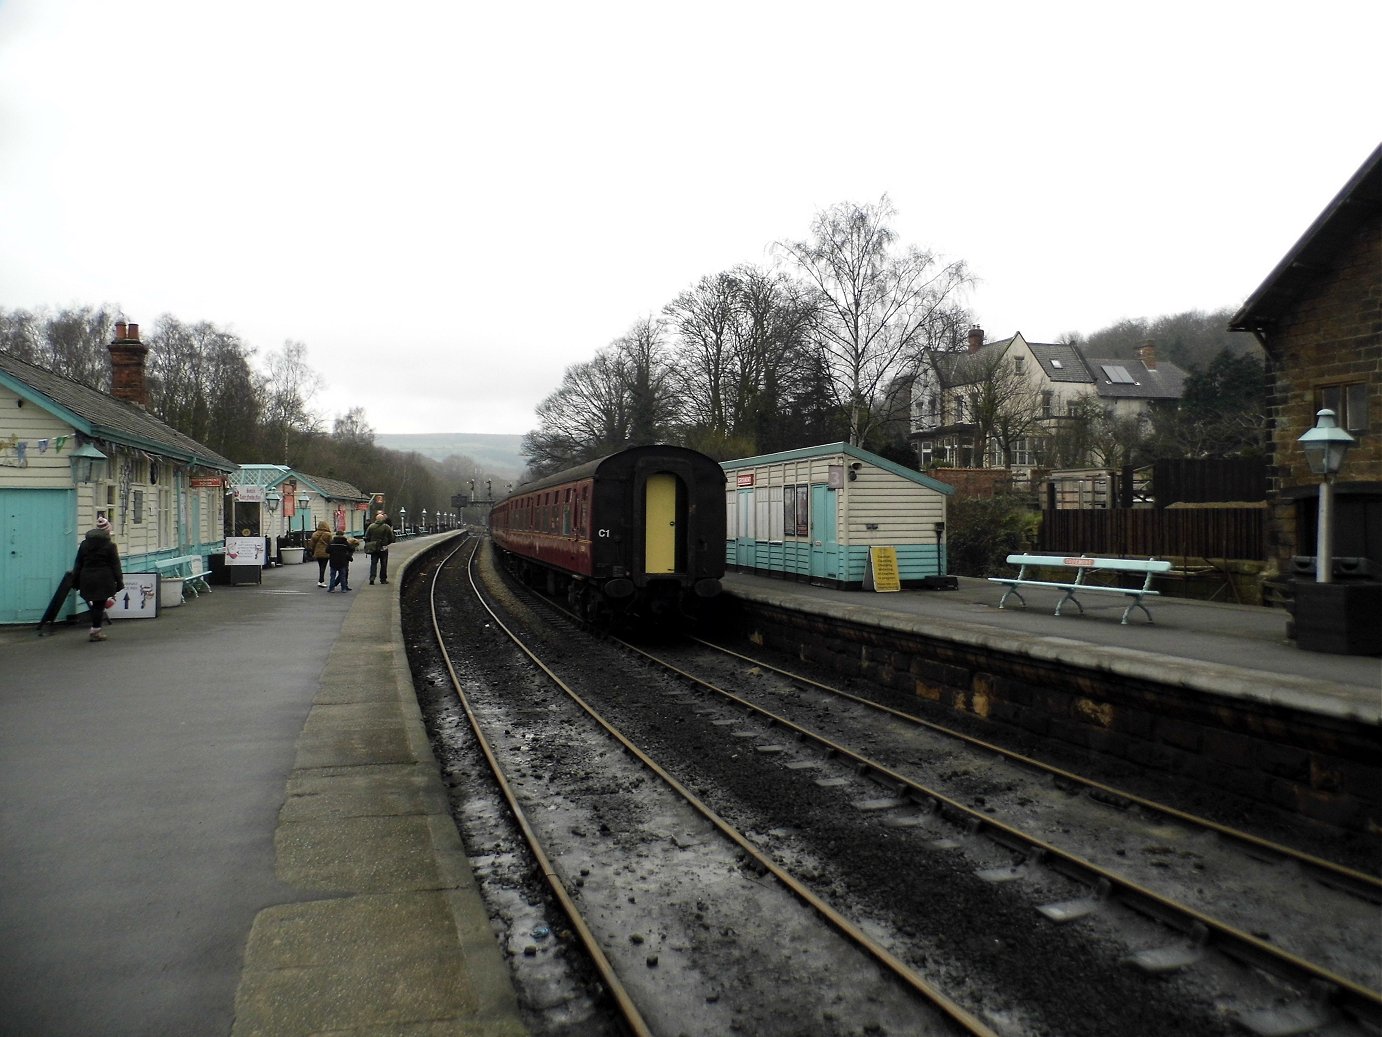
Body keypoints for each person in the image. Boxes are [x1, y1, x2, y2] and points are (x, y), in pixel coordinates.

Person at [72, 515, 123, 642]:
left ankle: (95, 629)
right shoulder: (110, 546)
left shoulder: (84, 544)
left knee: (95, 604)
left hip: (87, 577)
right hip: (104, 577)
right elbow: (115, 565)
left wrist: (75, 580)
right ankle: (95, 631)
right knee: (99, 605)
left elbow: (78, 563)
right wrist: (119, 582)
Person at [364, 511, 396, 585]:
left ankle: (372, 578)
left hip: (373, 548)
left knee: (373, 563)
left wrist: (371, 543)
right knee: (383, 564)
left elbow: (366, 536)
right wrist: (386, 543)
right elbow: (391, 538)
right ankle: (383, 579)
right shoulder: (386, 527)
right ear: (383, 519)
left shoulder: (371, 526)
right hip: (383, 547)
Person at [308, 520, 333, 587]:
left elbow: (312, 544)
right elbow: (331, 544)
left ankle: (320, 580)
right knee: (323, 567)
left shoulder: (315, 534)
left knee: (320, 566)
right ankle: (321, 581)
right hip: (325, 553)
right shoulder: (328, 534)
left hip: (317, 552)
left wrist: (313, 551)